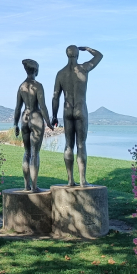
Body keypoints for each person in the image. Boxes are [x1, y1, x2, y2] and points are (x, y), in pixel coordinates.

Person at [52, 45, 103, 187]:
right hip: (80, 109)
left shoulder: (60, 73)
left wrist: (54, 115)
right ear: (77, 55)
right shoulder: (84, 68)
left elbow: (55, 97)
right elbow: (99, 56)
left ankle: (70, 180)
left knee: (68, 145)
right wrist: (87, 49)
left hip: (67, 110)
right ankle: (82, 180)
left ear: (66, 55)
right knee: (81, 145)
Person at [13, 59, 53, 192]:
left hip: (24, 118)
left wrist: (15, 124)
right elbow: (43, 106)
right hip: (36, 117)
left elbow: (18, 108)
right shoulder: (38, 86)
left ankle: (26, 186)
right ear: (36, 70)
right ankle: (34, 187)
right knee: (35, 153)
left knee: (27, 152)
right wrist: (48, 122)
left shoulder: (22, 86)